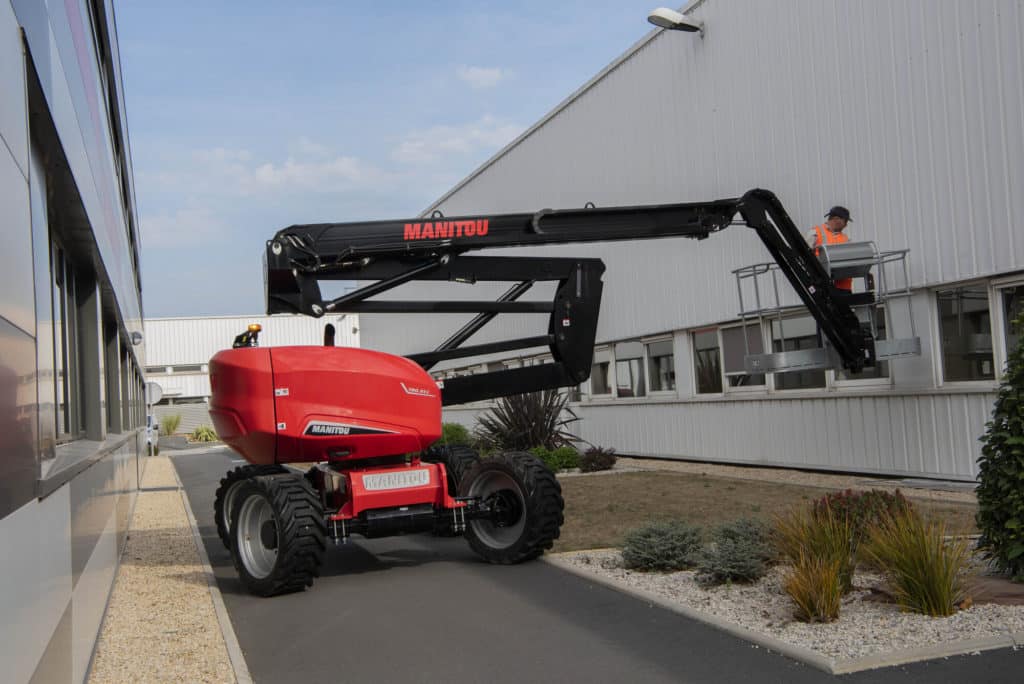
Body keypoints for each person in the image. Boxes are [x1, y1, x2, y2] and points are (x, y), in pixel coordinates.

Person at [806, 205, 852, 291]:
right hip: (822, 285)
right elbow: (805, 254)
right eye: (845, 221)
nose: (846, 225)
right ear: (836, 219)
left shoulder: (846, 238)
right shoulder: (815, 232)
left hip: (843, 288)